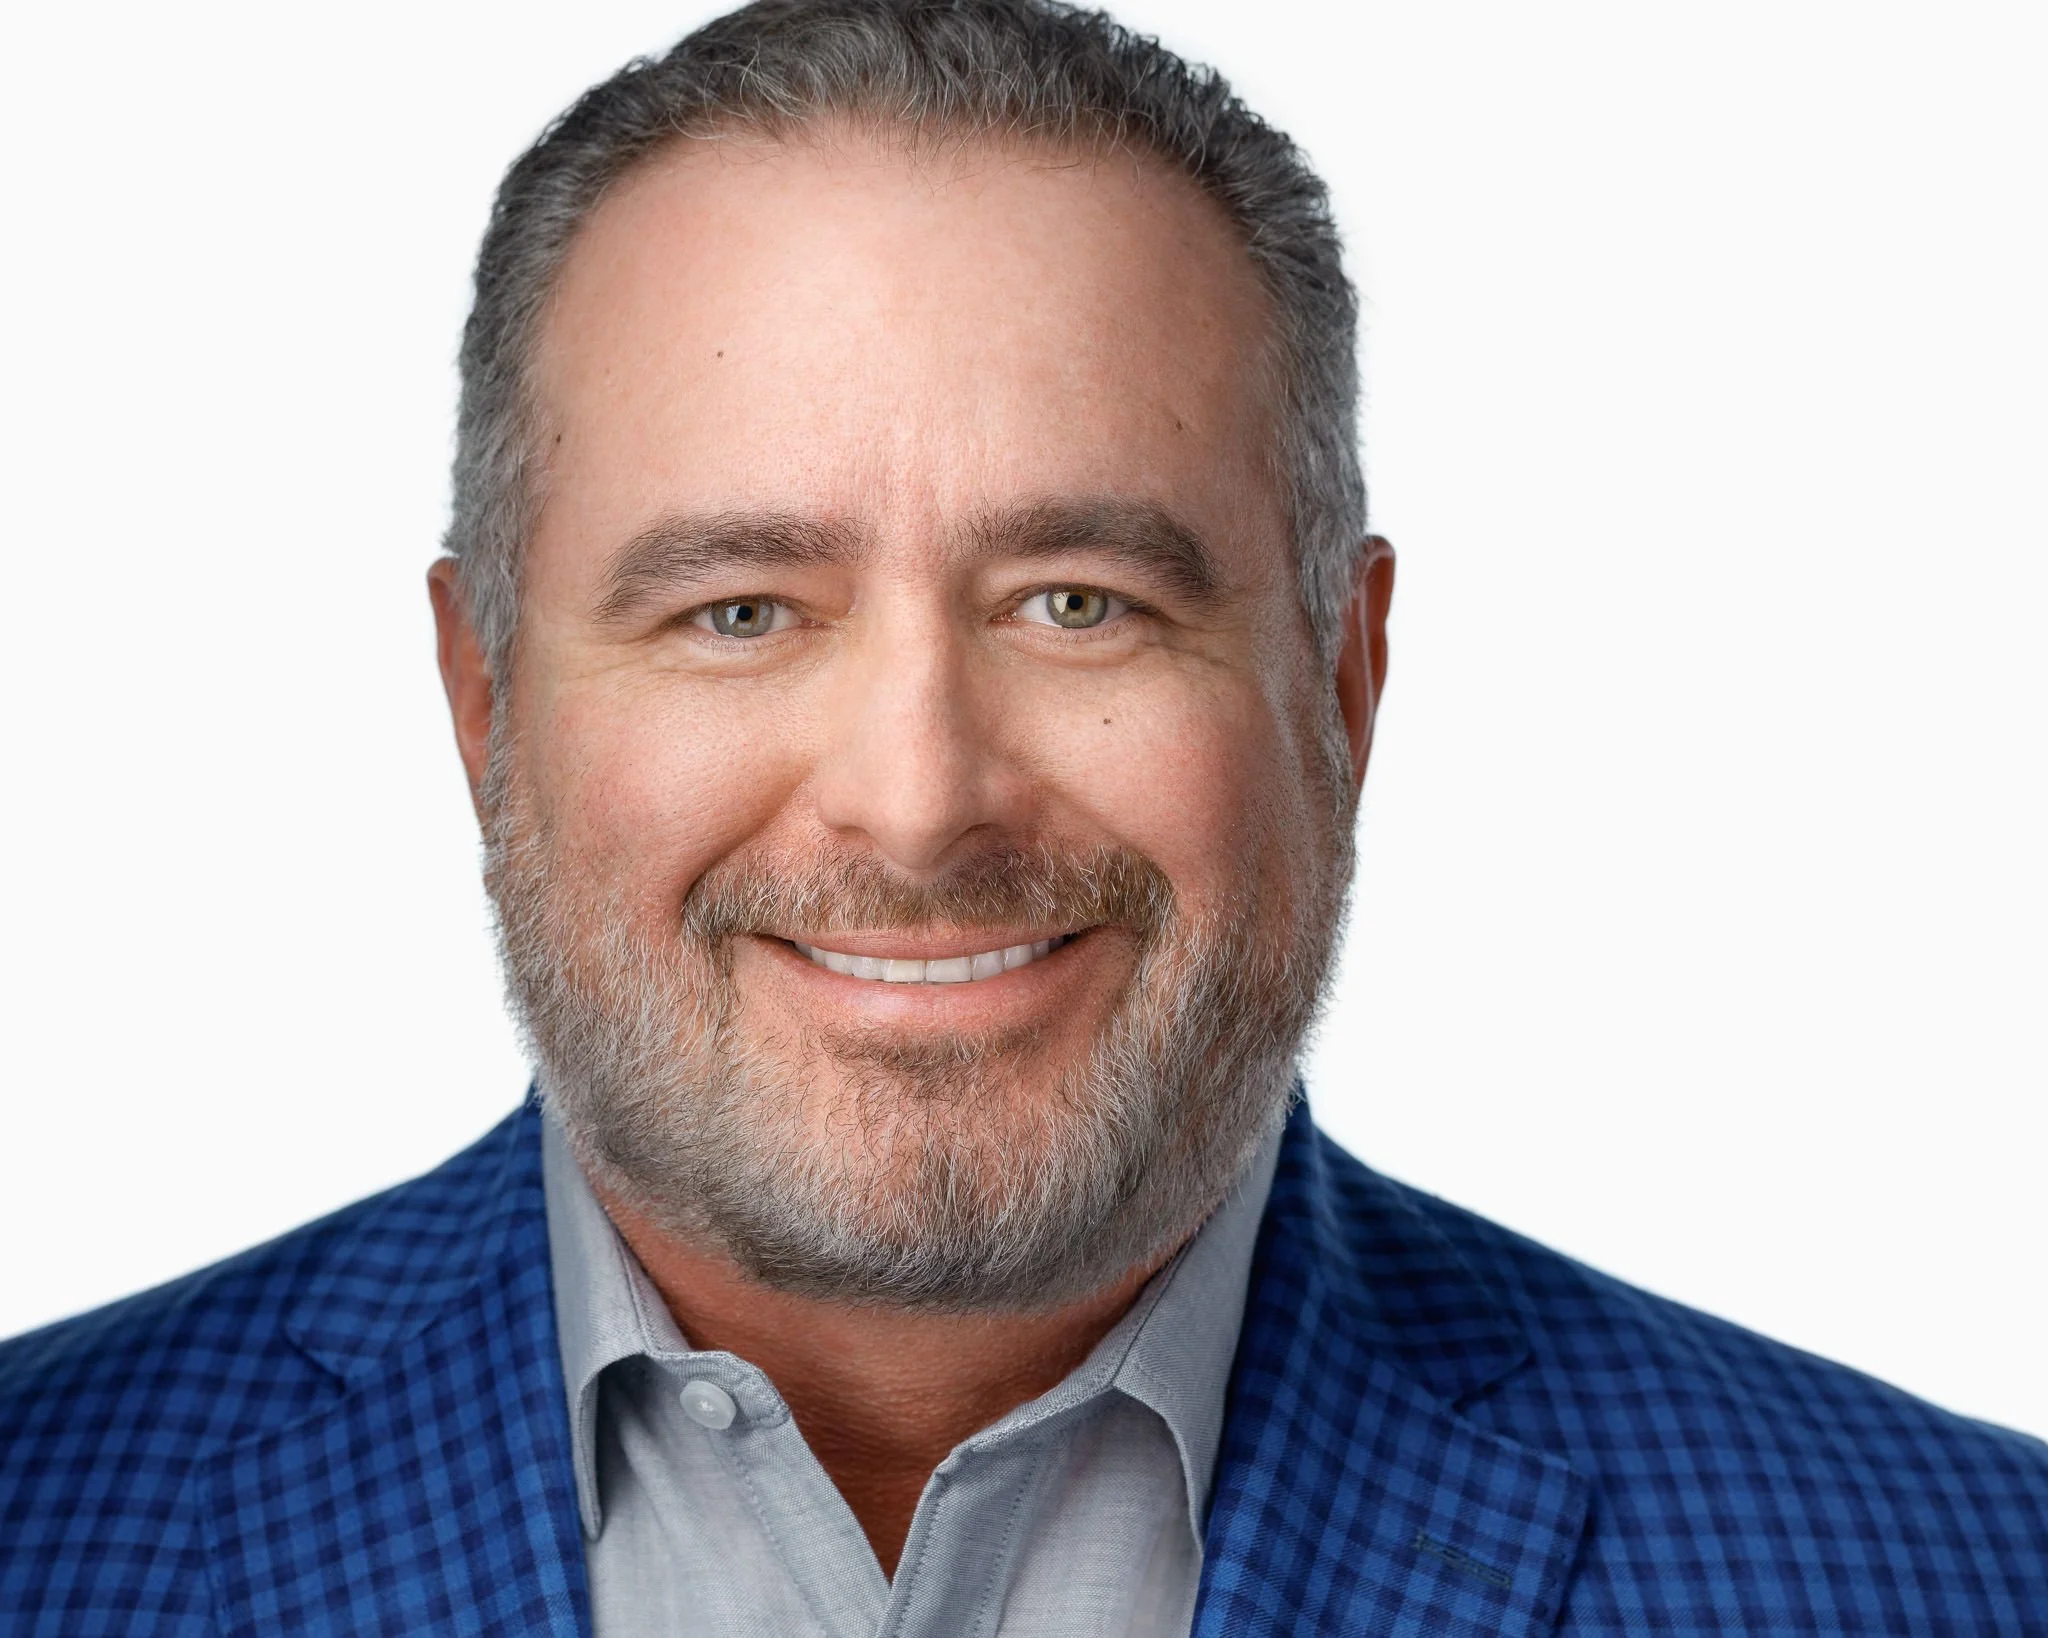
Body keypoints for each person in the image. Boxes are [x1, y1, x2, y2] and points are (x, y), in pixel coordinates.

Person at [2, 0, 2043, 1631]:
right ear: (480, 698)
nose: (917, 801)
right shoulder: (42, 1527)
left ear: (1339, 679)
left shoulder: (1969, 1580)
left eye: (1080, 602)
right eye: (738, 610)